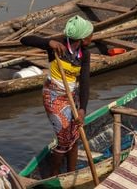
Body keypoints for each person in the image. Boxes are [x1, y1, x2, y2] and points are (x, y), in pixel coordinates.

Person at [20, 15, 93, 176]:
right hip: (53, 97)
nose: (92, 37)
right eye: (90, 34)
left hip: (71, 96)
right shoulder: (58, 45)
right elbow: (24, 40)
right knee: (64, 139)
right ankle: (54, 176)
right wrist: (48, 43)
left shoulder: (85, 53)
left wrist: (83, 109)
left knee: (75, 135)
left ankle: (71, 173)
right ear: (81, 38)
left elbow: (85, 83)